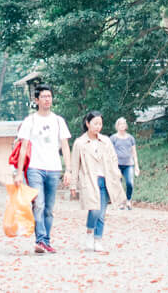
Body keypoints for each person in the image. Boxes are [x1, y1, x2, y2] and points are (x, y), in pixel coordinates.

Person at [16, 87, 73, 254]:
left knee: (48, 208)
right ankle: (40, 240)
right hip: (35, 168)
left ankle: (46, 240)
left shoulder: (58, 121)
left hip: (54, 168)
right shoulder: (30, 121)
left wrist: (68, 170)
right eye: (43, 96)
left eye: (49, 96)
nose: (47, 99)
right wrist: (19, 172)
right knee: (38, 204)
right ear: (36, 100)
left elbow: (65, 146)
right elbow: (23, 147)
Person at [68, 110, 127, 253]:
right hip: (89, 180)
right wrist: (73, 185)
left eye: (100, 124)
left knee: (101, 212)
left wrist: (117, 174)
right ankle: (89, 233)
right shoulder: (80, 143)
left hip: (105, 180)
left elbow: (113, 158)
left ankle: (98, 239)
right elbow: (75, 164)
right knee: (94, 210)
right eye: (95, 123)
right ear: (87, 123)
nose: (98, 127)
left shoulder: (106, 141)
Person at [110, 118, 139, 208]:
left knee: (130, 183)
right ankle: (121, 202)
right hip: (117, 164)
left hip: (128, 164)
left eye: (124, 124)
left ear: (126, 126)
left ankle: (128, 200)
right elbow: (110, 152)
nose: (122, 125)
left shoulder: (130, 138)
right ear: (117, 126)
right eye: (120, 124)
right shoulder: (113, 138)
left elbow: (134, 152)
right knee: (118, 184)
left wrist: (137, 166)